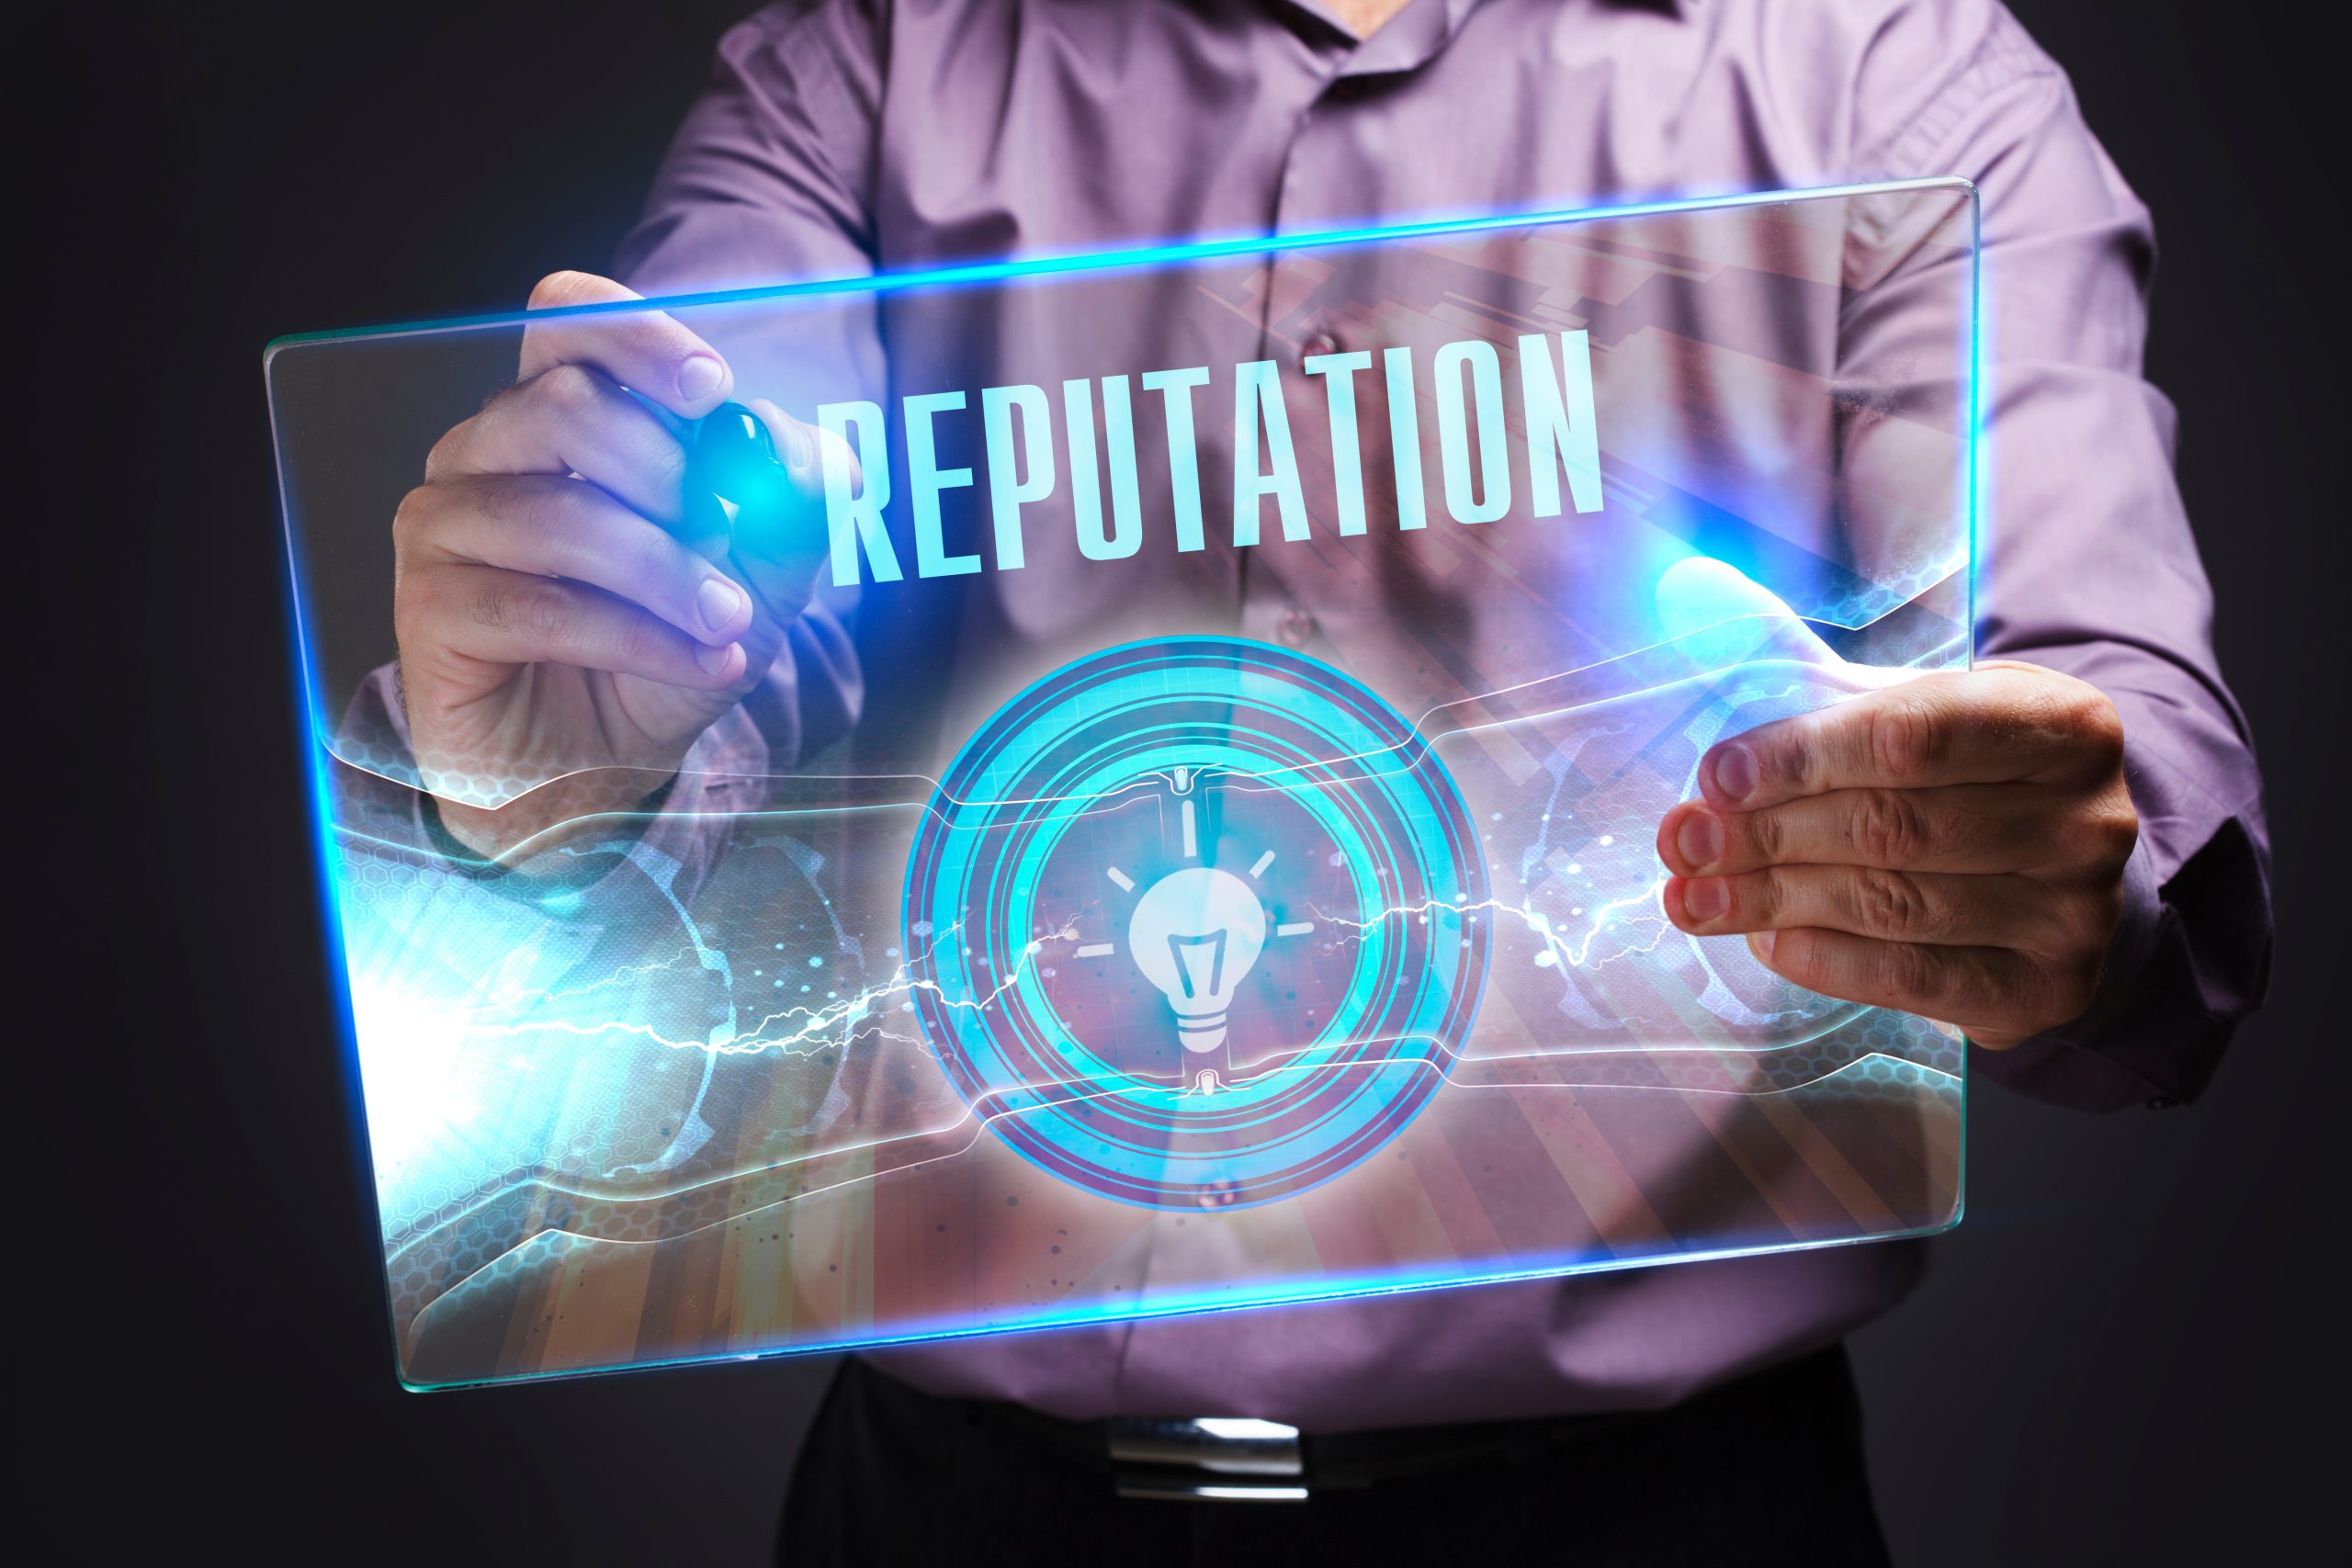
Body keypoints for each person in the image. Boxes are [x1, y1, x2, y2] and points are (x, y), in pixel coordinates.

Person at [376, 1, 2269, 1559]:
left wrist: (2043, 876)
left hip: (1654, 1523)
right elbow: (723, 580)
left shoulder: (1894, 79)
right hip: (951, 1517)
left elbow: (2121, 758)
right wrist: (574, 728)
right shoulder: (865, 62)